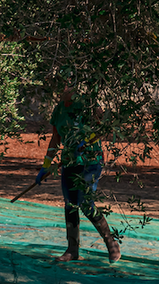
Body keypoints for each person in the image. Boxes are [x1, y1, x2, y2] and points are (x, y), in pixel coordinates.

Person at [34, 87, 122, 263]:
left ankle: (111, 243)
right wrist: (46, 165)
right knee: (70, 205)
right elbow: (56, 138)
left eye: (65, 83)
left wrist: (86, 141)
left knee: (86, 203)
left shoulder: (88, 105)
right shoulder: (59, 109)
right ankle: (72, 250)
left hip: (90, 161)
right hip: (69, 162)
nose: (61, 87)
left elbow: (103, 127)